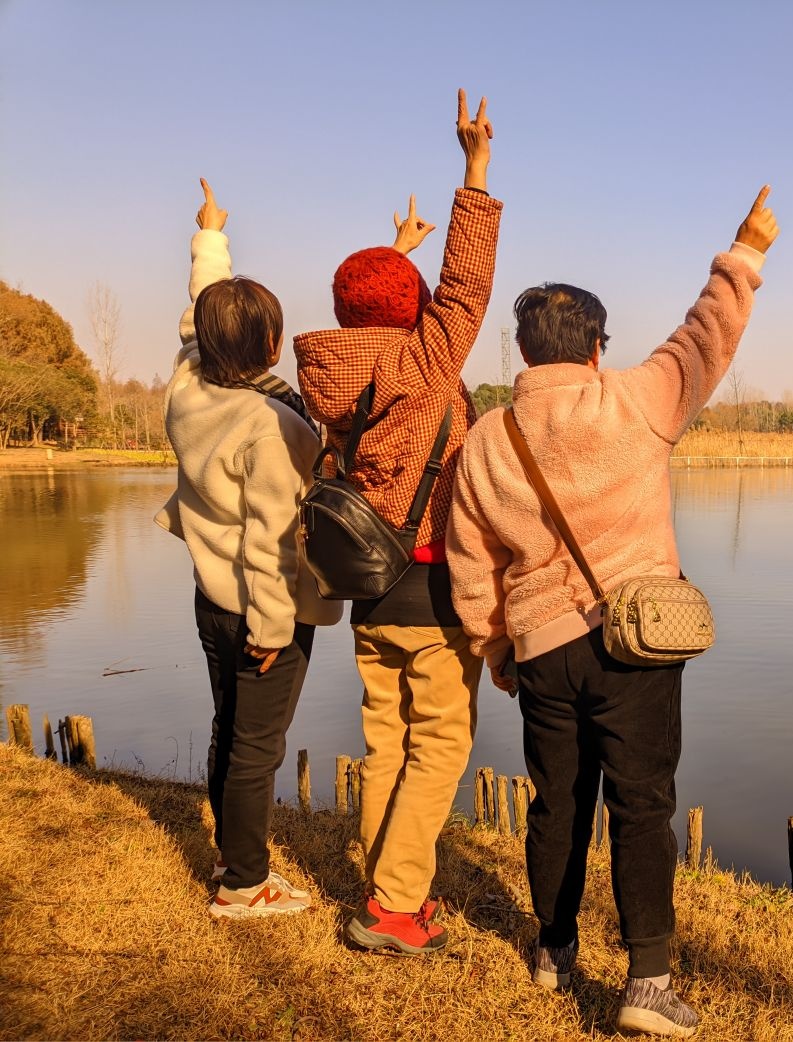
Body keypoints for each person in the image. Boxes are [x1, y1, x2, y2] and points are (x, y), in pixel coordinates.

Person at [446, 186, 779, 1037]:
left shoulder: (486, 438)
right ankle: (647, 984)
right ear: (597, 346)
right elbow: (707, 335)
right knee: (642, 806)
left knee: (556, 803)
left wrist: (497, 652)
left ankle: (554, 948)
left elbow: (470, 564)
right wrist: (743, 252)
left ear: (522, 350)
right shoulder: (634, 400)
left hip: (543, 651)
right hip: (637, 645)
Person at [292, 88, 500, 956]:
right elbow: (467, 286)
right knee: (439, 747)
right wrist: (474, 169)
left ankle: (390, 884)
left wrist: (392, 258)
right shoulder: (423, 355)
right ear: (411, 310)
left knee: (387, 742)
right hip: (431, 582)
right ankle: (392, 909)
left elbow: (374, 302)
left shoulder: (330, 367)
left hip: (368, 588)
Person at [157, 179, 342, 919]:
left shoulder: (187, 387)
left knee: (229, 729)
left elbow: (200, 312)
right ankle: (243, 885)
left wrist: (209, 234)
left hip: (211, 598)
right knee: (256, 748)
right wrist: (272, 631)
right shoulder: (274, 428)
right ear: (270, 344)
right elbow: (272, 546)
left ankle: (235, 860)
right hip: (259, 610)